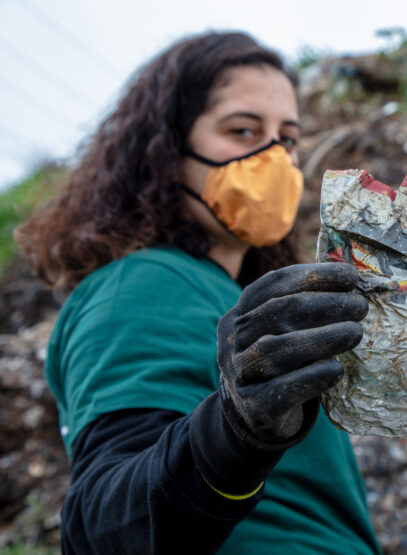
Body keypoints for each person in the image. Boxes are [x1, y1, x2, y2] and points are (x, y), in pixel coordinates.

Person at [16, 32, 381, 554]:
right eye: (242, 130)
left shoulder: (238, 297)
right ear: (165, 148)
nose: (275, 159)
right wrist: (233, 434)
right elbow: (103, 529)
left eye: (288, 138)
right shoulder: (142, 284)